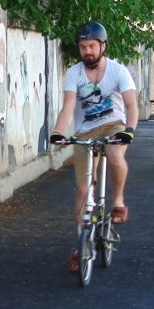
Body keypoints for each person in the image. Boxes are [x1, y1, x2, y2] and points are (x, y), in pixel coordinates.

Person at [49, 22, 138, 271]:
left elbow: (131, 105)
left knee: (114, 152)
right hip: (85, 129)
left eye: (91, 46)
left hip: (113, 124)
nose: (87, 51)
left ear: (102, 46)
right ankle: (82, 245)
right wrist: (58, 132)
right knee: (82, 189)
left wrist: (129, 130)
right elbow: (68, 105)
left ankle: (118, 201)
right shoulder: (74, 73)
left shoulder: (118, 71)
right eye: (83, 47)